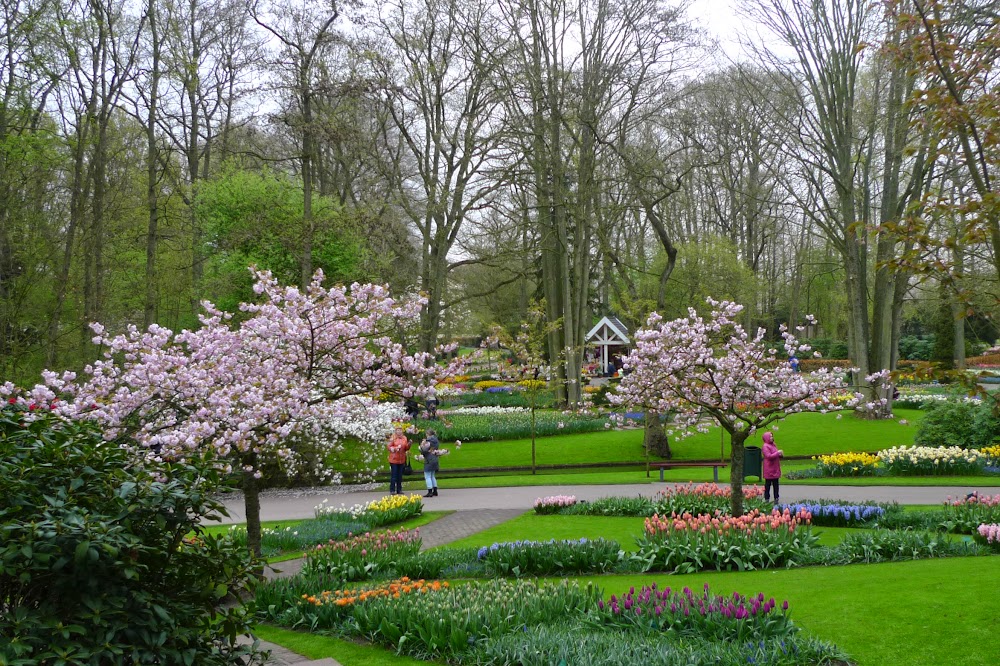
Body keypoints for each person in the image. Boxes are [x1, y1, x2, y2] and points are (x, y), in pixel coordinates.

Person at [386, 427, 410, 495]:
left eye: (400, 430)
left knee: (400, 475)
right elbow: (388, 447)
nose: (399, 432)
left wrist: (409, 444)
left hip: (401, 459)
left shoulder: (404, 438)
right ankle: (392, 489)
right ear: (395, 431)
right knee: (394, 475)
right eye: (398, 430)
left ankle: (399, 489)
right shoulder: (393, 438)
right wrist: (395, 448)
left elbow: (406, 448)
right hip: (394, 459)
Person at [762, 431, 783, 504]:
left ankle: (776, 498)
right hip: (769, 468)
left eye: (772, 436)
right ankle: (767, 498)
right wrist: (778, 453)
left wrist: (780, 454)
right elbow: (768, 456)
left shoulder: (773, 445)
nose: (772, 437)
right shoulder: (765, 446)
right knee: (768, 484)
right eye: (770, 436)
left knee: (776, 484)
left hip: (775, 467)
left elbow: (775, 455)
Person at [419, 428, 441, 497]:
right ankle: (435, 490)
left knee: (427, 476)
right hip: (435, 458)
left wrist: (421, 446)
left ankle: (430, 491)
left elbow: (424, 450)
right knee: (432, 475)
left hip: (429, 459)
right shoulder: (436, 440)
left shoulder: (428, 441)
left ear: (427, 434)